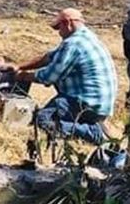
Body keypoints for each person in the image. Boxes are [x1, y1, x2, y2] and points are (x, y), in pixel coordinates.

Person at [14, 8, 117, 145]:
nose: (58, 32)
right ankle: (85, 126)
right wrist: (20, 67)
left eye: (58, 27)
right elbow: (48, 58)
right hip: (100, 105)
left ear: (67, 23)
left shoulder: (73, 44)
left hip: (86, 103)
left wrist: (23, 76)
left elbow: (49, 76)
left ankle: (92, 132)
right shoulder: (87, 37)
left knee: (42, 120)